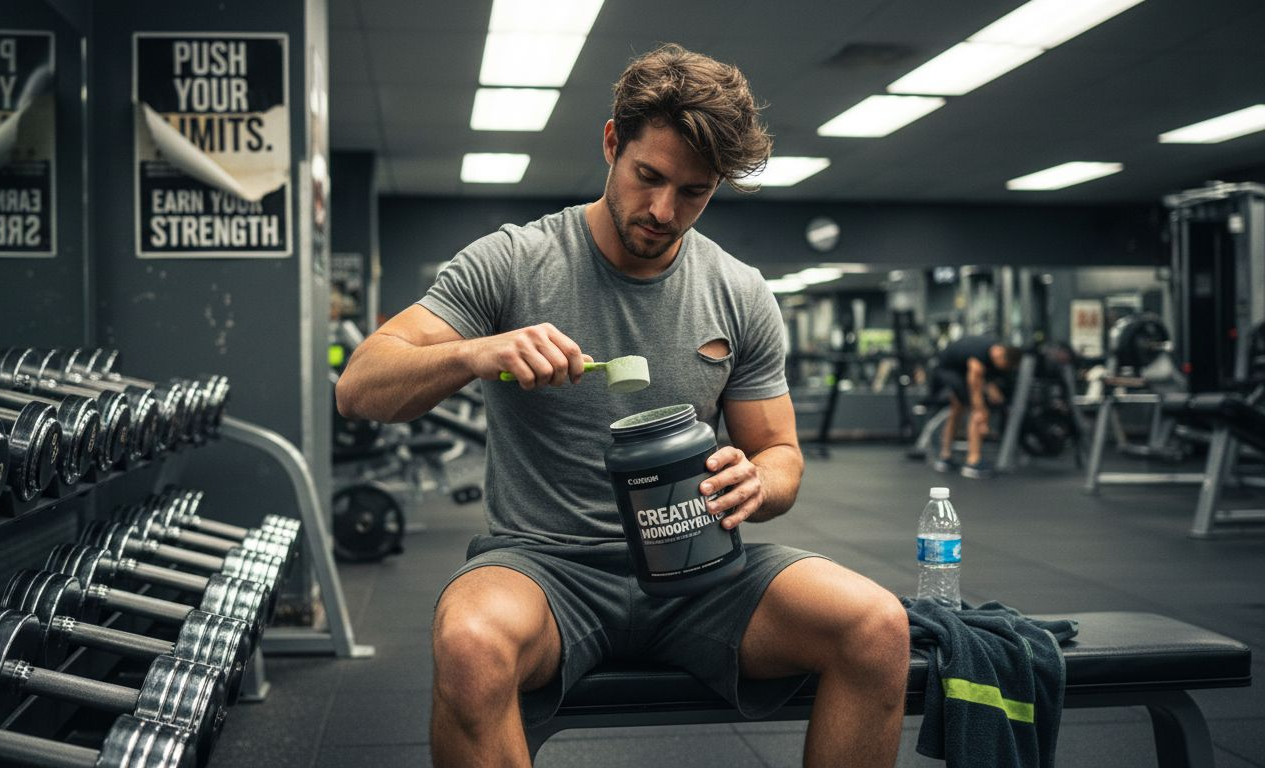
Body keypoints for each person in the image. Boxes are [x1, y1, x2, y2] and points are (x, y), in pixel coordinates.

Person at [335, 44, 909, 768]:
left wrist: (759, 483)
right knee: (470, 644)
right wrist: (476, 352)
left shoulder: (739, 291)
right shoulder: (512, 261)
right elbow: (359, 386)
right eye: (649, 177)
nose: (665, 211)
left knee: (876, 626)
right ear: (612, 143)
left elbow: (781, 454)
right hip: (547, 567)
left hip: (704, 569)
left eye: (694, 192)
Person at [931, 335, 1021, 479]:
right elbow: (975, 388)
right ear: (1001, 356)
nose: (1004, 370)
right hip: (947, 371)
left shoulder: (993, 351)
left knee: (957, 409)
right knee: (977, 412)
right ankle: (973, 461)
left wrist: (990, 388)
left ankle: (945, 457)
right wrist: (980, 410)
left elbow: (986, 378)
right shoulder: (978, 361)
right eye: (1005, 366)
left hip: (956, 369)